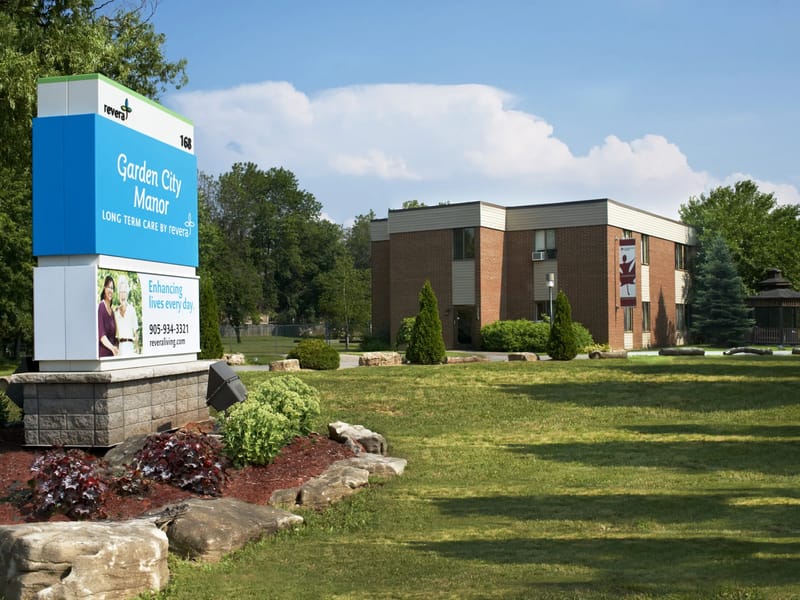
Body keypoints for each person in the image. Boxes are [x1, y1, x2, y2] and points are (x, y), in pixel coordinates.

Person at [115, 275, 139, 356]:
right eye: (121, 292)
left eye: (124, 292)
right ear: (118, 294)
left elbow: (136, 331)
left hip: (130, 346)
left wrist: (137, 349)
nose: (123, 295)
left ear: (127, 294)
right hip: (120, 348)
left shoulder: (132, 310)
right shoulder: (116, 312)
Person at [98, 275, 118, 357]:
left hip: (112, 355)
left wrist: (116, 347)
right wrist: (113, 348)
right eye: (109, 287)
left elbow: (114, 336)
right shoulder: (101, 307)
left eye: (112, 288)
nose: (111, 290)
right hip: (104, 355)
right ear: (104, 288)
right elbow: (102, 336)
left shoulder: (112, 312)